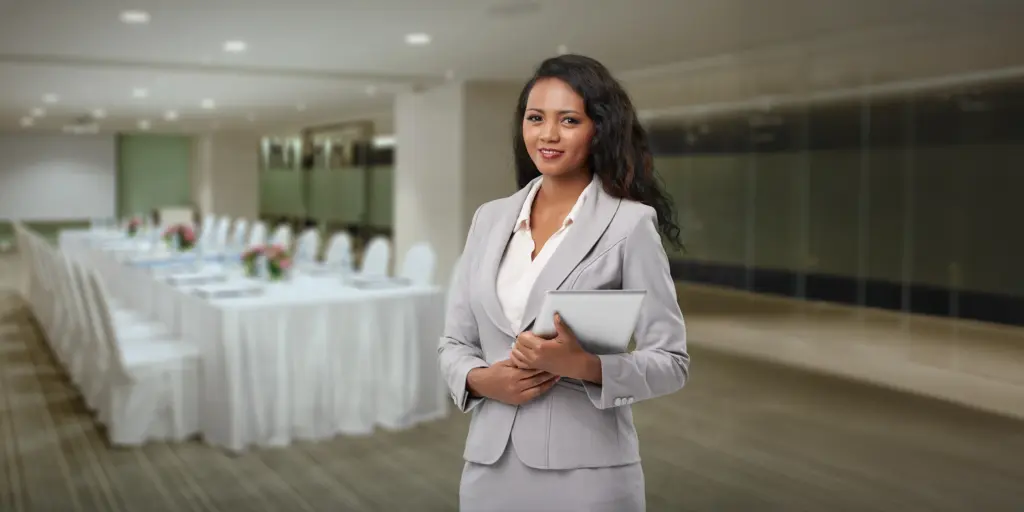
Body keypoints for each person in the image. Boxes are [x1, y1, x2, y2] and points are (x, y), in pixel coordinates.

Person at [438, 54, 690, 512]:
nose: (547, 135)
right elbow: (454, 342)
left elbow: (672, 360)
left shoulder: (629, 225)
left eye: (568, 120)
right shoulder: (489, 219)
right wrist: (479, 380)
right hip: (489, 468)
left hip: (587, 476)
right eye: (535, 118)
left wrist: (588, 366)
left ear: (599, 129)